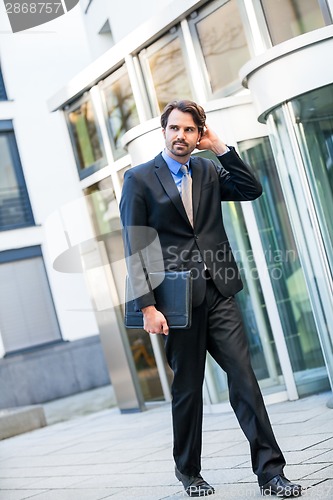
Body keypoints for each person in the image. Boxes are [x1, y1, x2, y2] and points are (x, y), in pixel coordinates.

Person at [120, 99, 302, 498]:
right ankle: (189, 472)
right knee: (188, 388)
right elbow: (136, 246)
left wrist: (219, 146)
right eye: (174, 129)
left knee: (244, 380)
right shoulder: (139, 180)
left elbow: (251, 189)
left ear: (198, 132)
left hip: (219, 291)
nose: (181, 136)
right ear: (162, 131)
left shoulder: (206, 168)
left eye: (189, 130)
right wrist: (147, 306)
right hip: (175, 303)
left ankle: (271, 473)